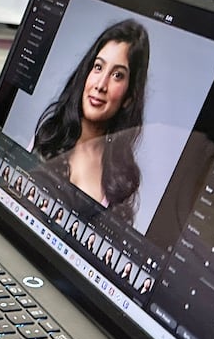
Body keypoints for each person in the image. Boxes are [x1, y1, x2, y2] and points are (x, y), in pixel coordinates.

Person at [33, 19, 150, 225]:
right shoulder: (49, 136)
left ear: (129, 97)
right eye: (98, 67)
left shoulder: (119, 180)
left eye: (117, 75)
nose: (101, 85)